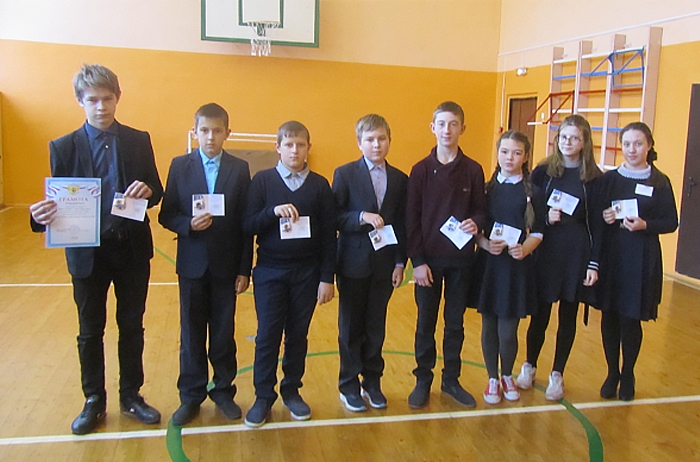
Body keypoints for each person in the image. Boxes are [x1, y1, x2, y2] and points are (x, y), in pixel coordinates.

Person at [29, 64, 163, 435]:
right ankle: (93, 400)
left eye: (107, 98)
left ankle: (131, 395)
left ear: (118, 98)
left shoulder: (138, 140)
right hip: (87, 254)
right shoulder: (63, 146)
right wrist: (38, 216)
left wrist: (149, 191)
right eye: (93, 100)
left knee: (132, 326)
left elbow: (156, 189)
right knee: (90, 330)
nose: (101, 107)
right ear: (80, 101)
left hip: (131, 249)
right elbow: (57, 204)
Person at [158, 103, 253, 425]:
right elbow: (167, 214)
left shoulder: (239, 169)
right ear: (195, 132)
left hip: (226, 266)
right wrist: (188, 224)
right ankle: (191, 396)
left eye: (217, 130)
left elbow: (245, 223)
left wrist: (244, 269)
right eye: (204, 130)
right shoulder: (179, 165)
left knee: (224, 334)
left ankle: (224, 392)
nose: (210, 137)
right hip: (192, 265)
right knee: (191, 333)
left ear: (228, 132)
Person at [242, 121, 336, 428]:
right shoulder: (262, 181)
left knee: (297, 335)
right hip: (270, 271)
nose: (295, 150)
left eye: (300, 145)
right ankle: (263, 396)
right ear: (278, 147)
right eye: (289, 144)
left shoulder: (320, 185)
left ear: (308, 147)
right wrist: (272, 212)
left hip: (307, 273)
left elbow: (328, 236)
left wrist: (327, 277)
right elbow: (248, 225)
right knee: (267, 335)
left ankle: (292, 390)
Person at [515, 114, 604, 401]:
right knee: (540, 313)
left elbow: (598, 225)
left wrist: (593, 262)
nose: (568, 142)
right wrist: (543, 217)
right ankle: (529, 365)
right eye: (564, 137)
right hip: (546, 251)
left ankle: (557, 374)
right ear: (557, 140)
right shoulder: (543, 171)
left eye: (575, 138)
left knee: (568, 314)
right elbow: (526, 210)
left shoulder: (594, 178)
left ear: (584, 142)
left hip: (576, 253)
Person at [406, 101, 486, 409]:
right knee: (425, 323)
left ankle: (451, 380)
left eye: (453, 124)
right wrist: (418, 262)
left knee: (455, 324)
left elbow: (481, 210)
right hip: (428, 263)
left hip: (462, 262)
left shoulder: (474, 170)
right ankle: (422, 380)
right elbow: (411, 219)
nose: (447, 130)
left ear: (462, 128)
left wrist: (476, 222)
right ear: (433, 128)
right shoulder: (420, 170)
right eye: (441, 124)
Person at [597, 122, 678, 401]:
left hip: (642, 258)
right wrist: (605, 217)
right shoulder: (610, 179)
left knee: (631, 318)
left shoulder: (660, 181)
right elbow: (597, 216)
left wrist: (646, 224)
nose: (632, 149)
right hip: (613, 256)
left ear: (649, 146)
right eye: (627, 144)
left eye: (638, 144)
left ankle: (628, 373)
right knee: (609, 315)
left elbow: (671, 221)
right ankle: (612, 373)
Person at [333, 114, 408, 412]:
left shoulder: (400, 179)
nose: (376, 145)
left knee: (376, 327)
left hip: (384, 264)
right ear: (359, 142)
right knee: (351, 327)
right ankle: (349, 385)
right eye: (370, 140)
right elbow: (334, 216)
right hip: (352, 263)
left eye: (381, 139)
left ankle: (372, 382)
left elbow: (402, 224)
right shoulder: (345, 174)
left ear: (389, 140)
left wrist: (400, 262)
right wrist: (360, 217)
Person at [474, 131, 545, 404]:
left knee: (508, 329)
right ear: (498, 154)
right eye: (504, 152)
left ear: (525, 157)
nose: (509, 158)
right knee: (489, 325)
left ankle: (507, 375)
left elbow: (538, 232)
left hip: (516, 269)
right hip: (489, 266)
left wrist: (525, 249)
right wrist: (484, 243)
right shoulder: (486, 189)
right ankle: (492, 378)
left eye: (516, 153)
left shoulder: (533, 193)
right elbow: (477, 228)